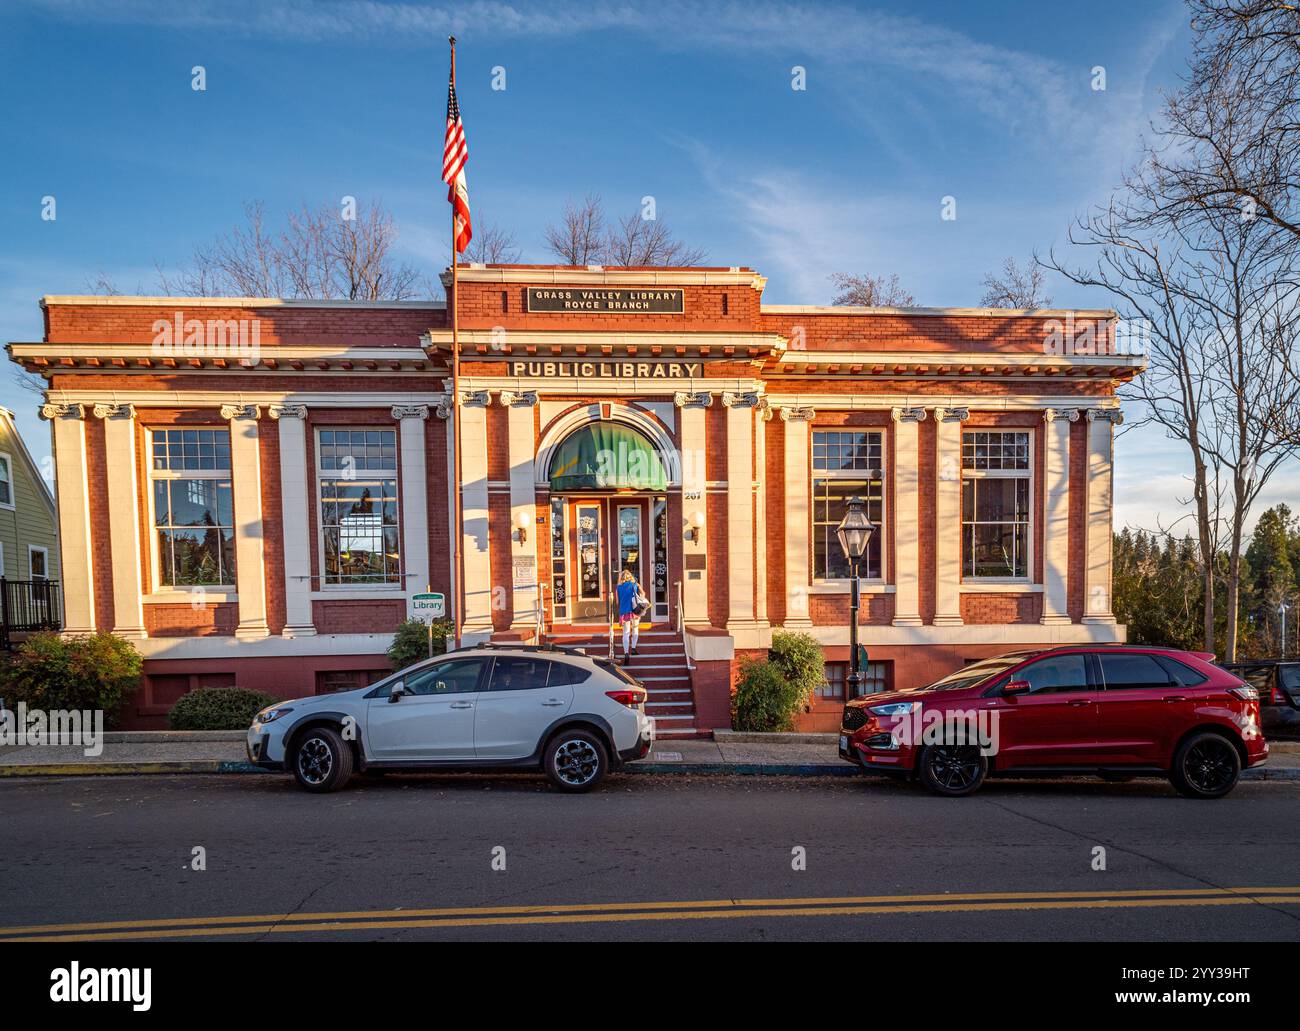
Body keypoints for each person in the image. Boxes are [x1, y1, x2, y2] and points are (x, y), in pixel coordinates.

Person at [615, 569, 643, 663]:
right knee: (635, 629)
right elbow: (642, 594)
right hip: (635, 610)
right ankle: (634, 649)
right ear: (630, 577)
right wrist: (638, 586)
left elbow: (617, 602)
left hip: (624, 612)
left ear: (622, 578)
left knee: (625, 633)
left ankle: (626, 653)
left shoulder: (618, 587)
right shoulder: (634, 585)